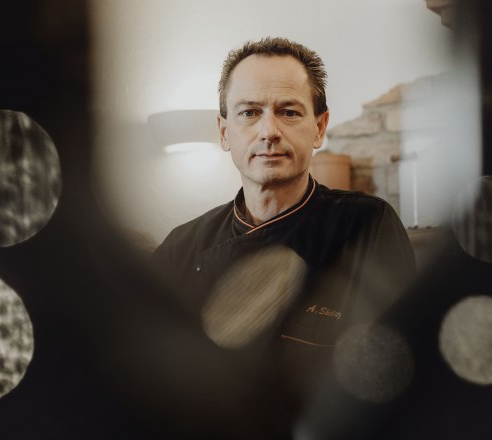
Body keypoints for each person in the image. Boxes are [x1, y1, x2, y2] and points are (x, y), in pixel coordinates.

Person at [153, 37, 415, 409]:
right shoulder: (181, 246)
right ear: (225, 132)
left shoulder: (366, 225)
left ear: (319, 128)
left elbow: (399, 381)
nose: (268, 131)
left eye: (289, 111)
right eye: (248, 112)